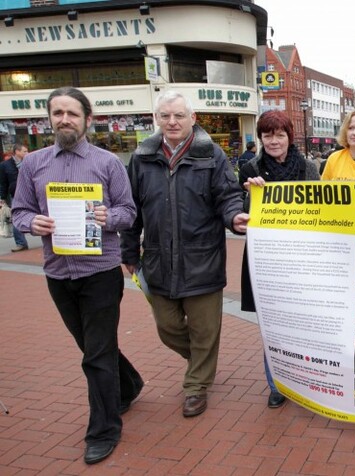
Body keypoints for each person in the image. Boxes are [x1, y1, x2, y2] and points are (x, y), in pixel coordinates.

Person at [11, 87, 144, 465]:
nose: (64, 119)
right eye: (58, 113)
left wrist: (108, 216)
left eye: (72, 113)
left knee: (96, 355)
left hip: (100, 272)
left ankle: (103, 430)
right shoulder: (33, 164)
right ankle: (129, 384)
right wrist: (32, 222)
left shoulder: (108, 163)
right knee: (91, 346)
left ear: (88, 118)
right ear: (49, 120)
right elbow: (20, 211)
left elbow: (128, 212)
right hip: (58, 273)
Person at [121, 91, 249, 418]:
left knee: (205, 329)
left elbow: (228, 196)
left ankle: (196, 386)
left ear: (192, 118)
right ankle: (202, 361)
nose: (172, 122)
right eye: (165, 116)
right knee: (167, 327)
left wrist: (234, 217)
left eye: (179, 115)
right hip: (158, 260)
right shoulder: (142, 157)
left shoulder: (211, 154)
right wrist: (129, 250)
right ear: (157, 119)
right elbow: (131, 208)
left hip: (203, 258)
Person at [239, 109, 319, 408]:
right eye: (267, 135)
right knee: (273, 326)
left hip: (302, 258)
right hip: (267, 261)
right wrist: (250, 195)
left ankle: (306, 380)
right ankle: (276, 384)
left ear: (289, 137)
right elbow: (243, 215)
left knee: (304, 325)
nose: (273, 141)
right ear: (261, 138)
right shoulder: (250, 169)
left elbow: (320, 211)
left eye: (279, 135)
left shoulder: (308, 168)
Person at [0, 143, 30, 251]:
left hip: (32, 193)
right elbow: (3, 183)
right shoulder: (5, 165)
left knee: (43, 215)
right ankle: (21, 243)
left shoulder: (30, 161)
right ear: (17, 152)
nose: (27, 153)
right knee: (16, 217)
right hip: (16, 194)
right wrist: (2, 197)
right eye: (24, 151)